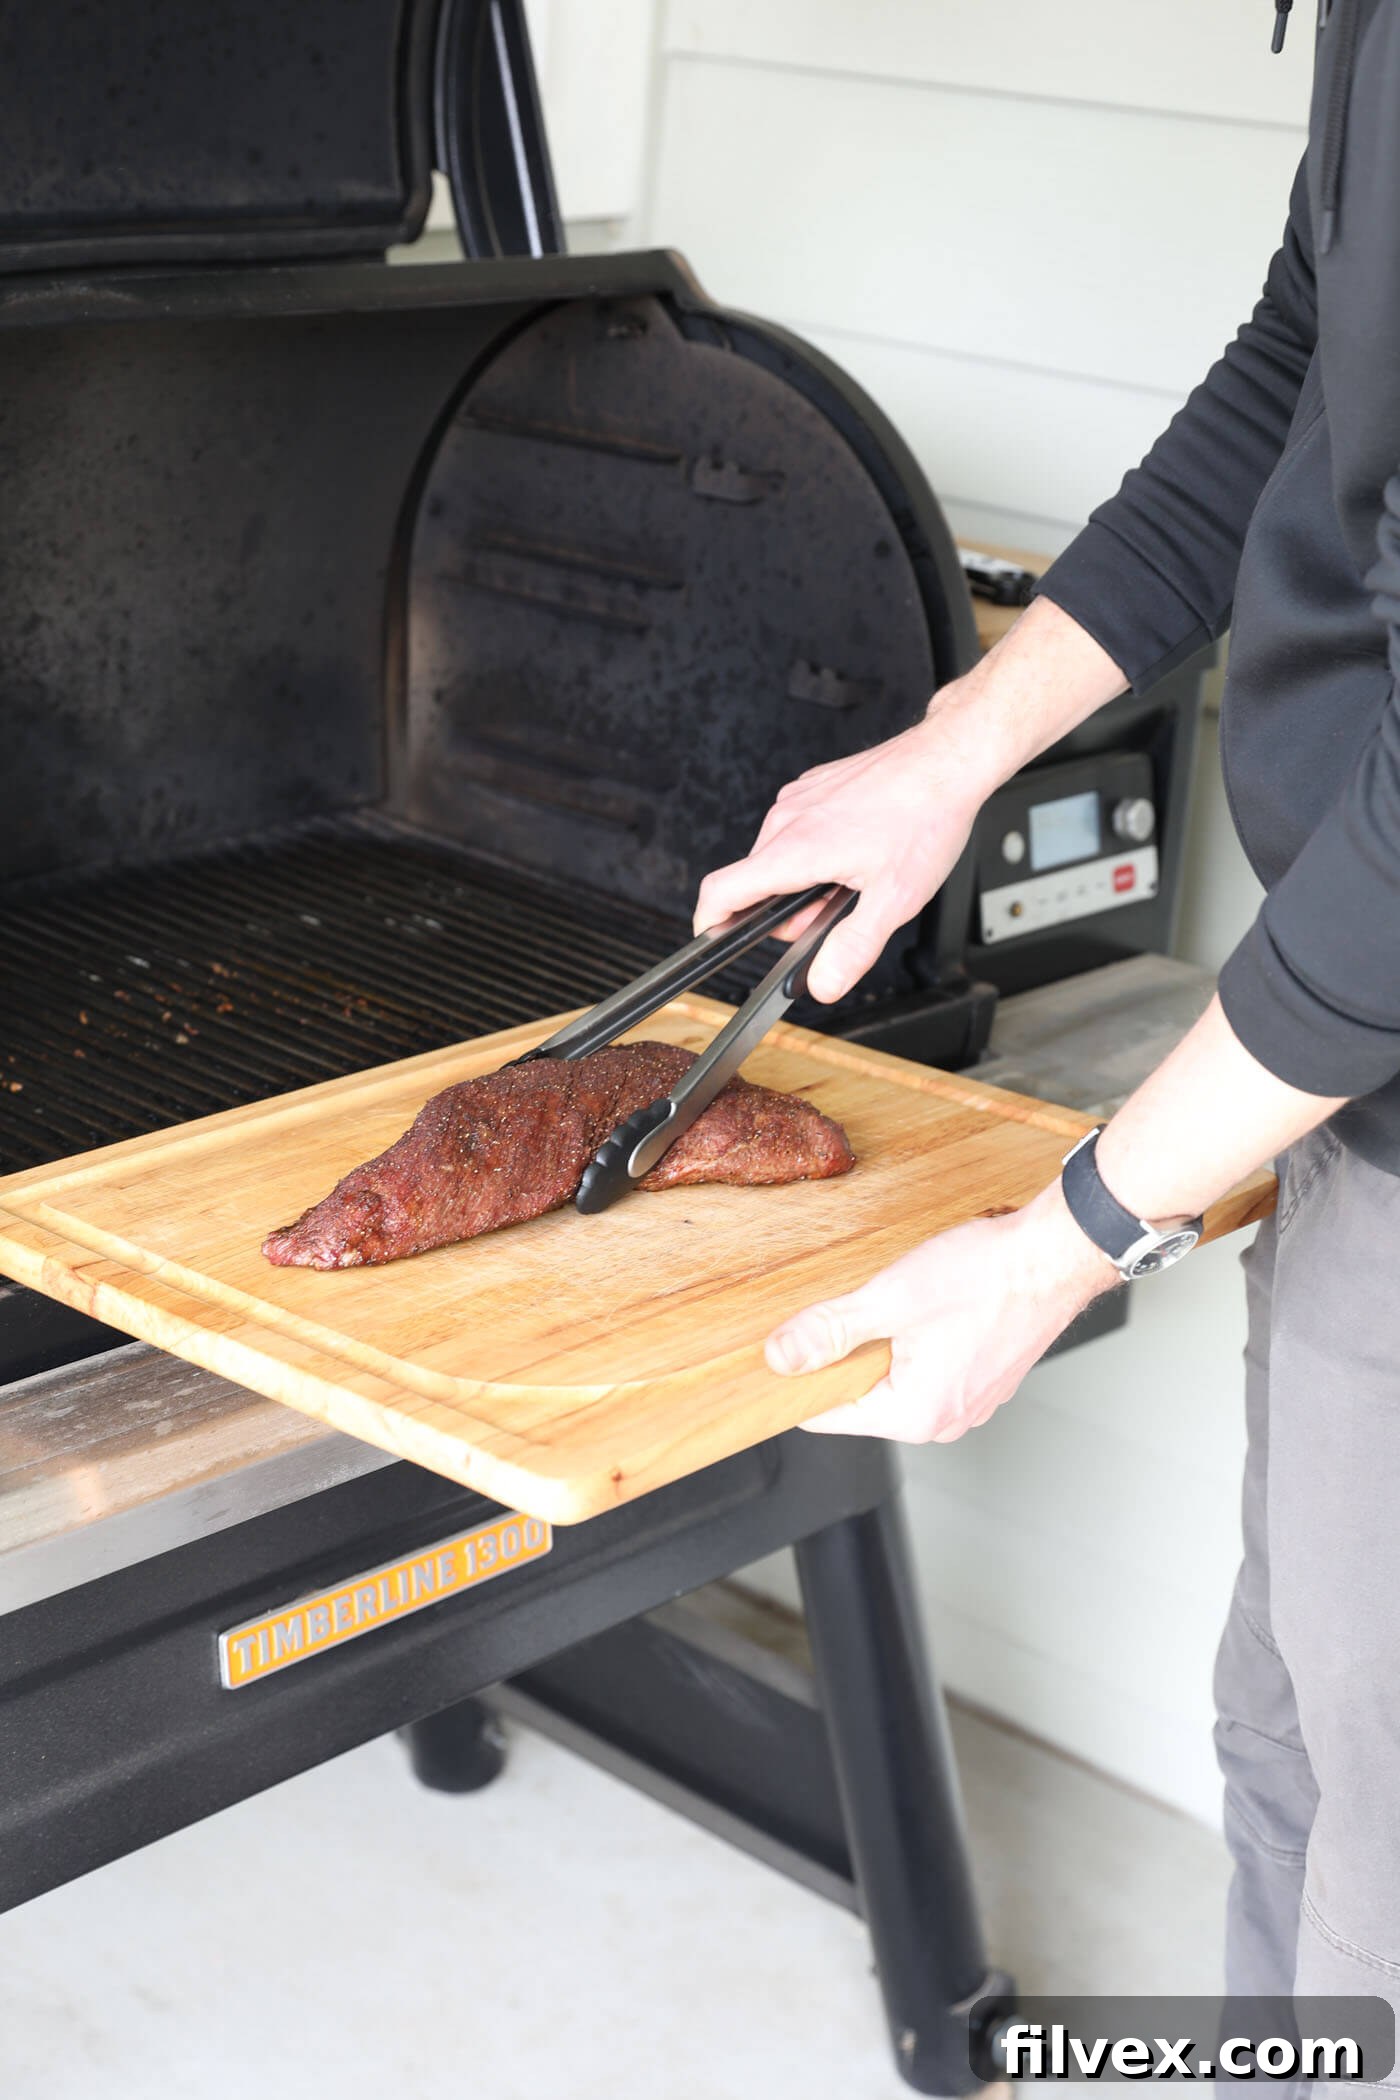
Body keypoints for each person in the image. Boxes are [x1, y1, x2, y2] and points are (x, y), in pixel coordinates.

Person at [695, 0, 1400, 2067]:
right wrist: (957, 749)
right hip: (1357, 1072)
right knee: (1283, 1738)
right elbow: (1306, 343)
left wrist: (1062, 1237)